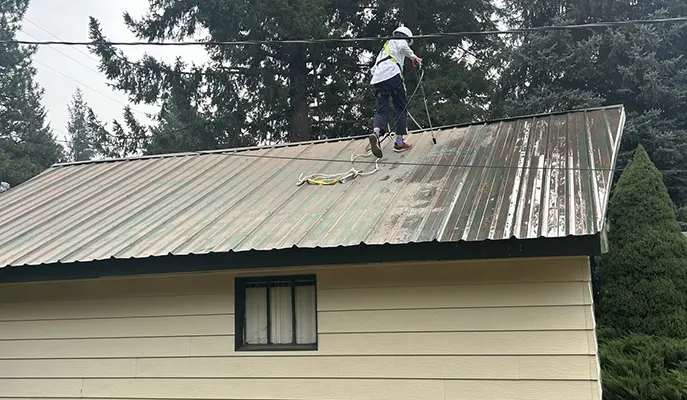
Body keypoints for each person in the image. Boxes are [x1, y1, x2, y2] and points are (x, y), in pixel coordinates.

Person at [368, 25, 422, 158]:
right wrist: (414, 57)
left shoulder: (383, 50)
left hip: (378, 79)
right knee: (401, 108)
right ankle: (399, 142)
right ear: (405, 37)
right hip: (393, 76)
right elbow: (404, 47)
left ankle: (375, 133)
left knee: (382, 110)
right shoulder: (399, 40)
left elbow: (373, 70)